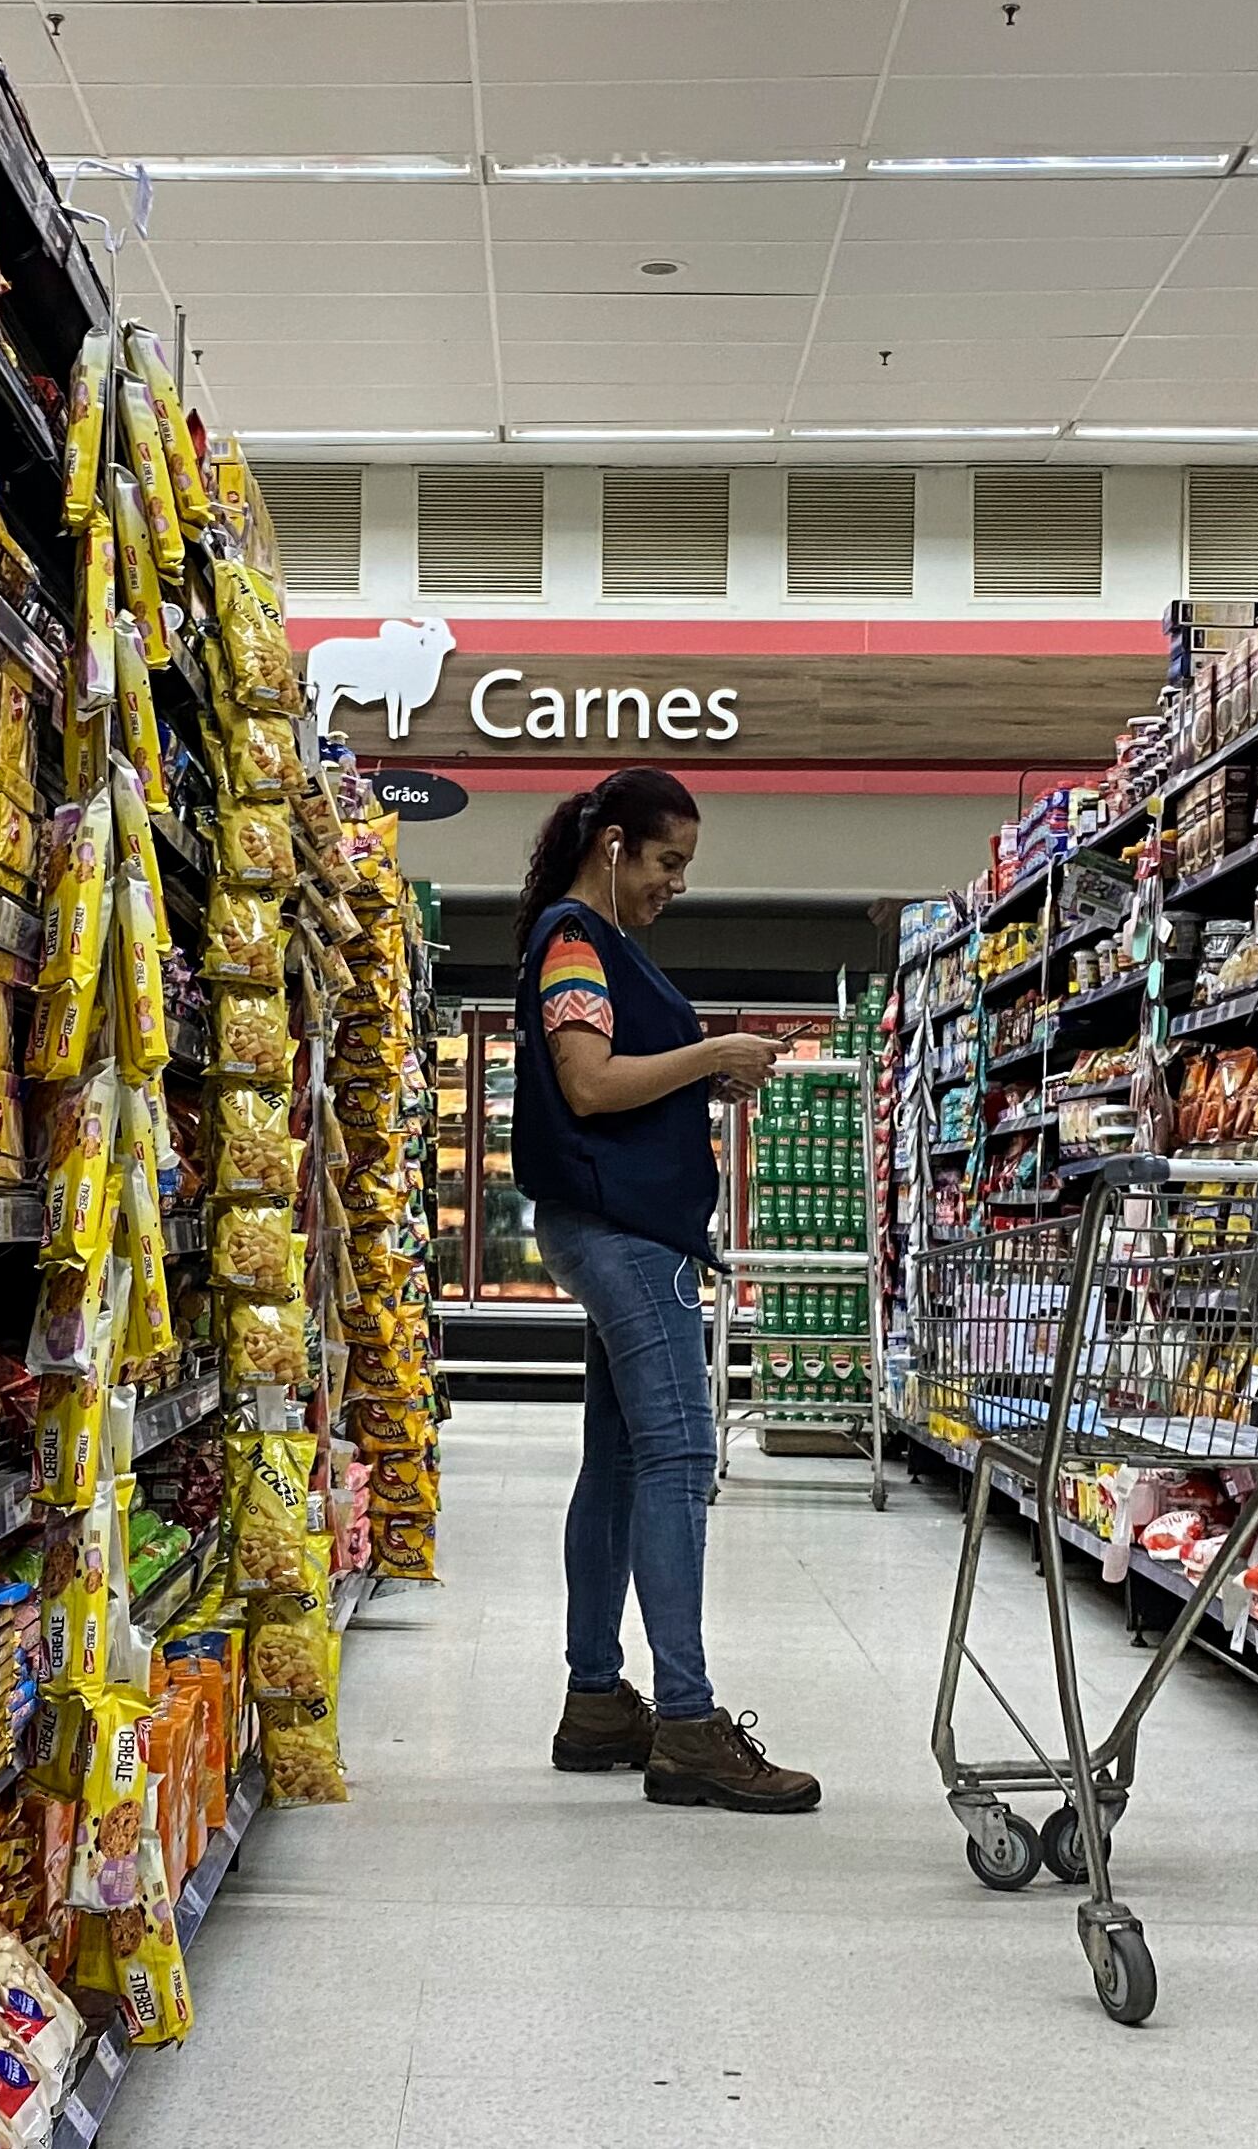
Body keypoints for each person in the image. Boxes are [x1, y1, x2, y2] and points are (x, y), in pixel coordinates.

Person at [511, 768, 819, 1813]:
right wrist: (710, 1055)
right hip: (624, 1234)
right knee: (681, 1455)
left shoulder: (600, 949)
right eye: (666, 861)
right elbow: (588, 1084)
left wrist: (701, 1071)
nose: (674, 883)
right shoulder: (572, 941)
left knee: (616, 1463)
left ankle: (596, 1701)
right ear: (612, 845)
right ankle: (687, 1722)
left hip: (619, 1228)